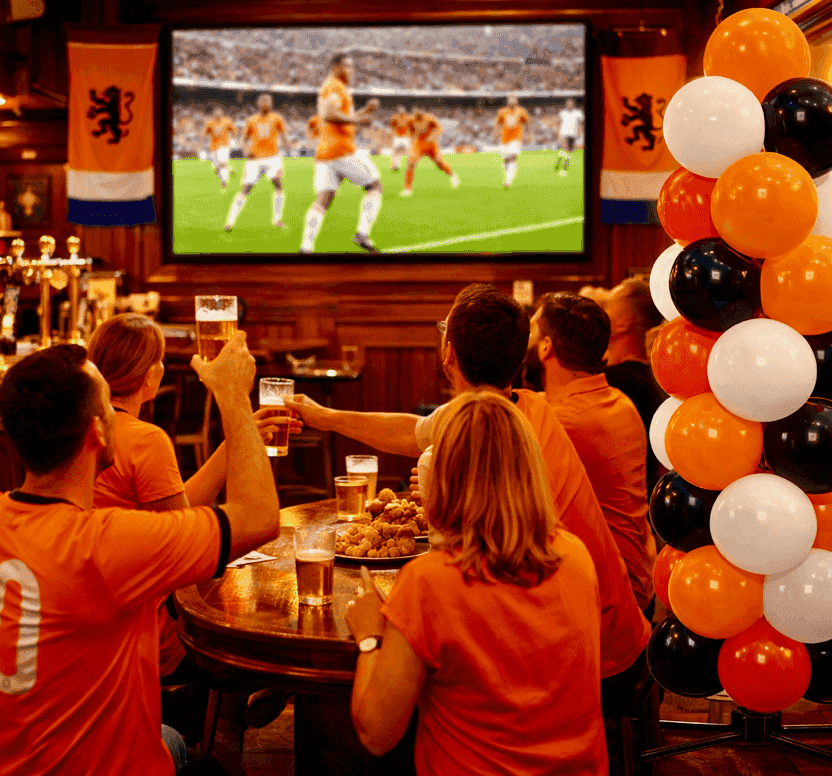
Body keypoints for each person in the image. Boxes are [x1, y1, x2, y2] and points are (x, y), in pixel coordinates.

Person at [285, 284, 650, 682]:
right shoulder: (526, 406)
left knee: (402, 629)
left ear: (448, 353)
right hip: (599, 624)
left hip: (580, 652)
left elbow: (463, 574)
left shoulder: (483, 439)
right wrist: (326, 416)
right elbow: (414, 432)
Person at [0, 340, 279, 776]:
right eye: (108, 407)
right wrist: (234, 394)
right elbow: (259, 519)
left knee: (172, 738)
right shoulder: (106, 546)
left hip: (1, 768)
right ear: (98, 432)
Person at [345, 391, 607, 773]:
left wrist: (370, 637)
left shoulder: (429, 582)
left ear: (445, 476)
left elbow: (376, 734)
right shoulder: (576, 556)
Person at [87, 314, 299, 680]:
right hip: (152, 634)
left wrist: (239, 440)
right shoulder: (146, 439)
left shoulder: (89, 428)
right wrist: (236, 409)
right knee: (266, 603)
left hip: (101, 612)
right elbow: (189, 541)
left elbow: (176, 515)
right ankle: (245, 709)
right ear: (152, 376)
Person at [527, 292, 657, 615]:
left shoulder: (563, 421)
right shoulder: (616, 402)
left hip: (607, 603)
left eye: (529, 330)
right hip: (637, 586)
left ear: (545, 347)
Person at [300, 52, 382, 255]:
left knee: (324, 198)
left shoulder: (337, 87)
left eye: (351, 66)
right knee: (374, 185)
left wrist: (365, 111)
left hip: (325, 154)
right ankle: (362, 234)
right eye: (346, 66)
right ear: (335, 67)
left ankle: (306, 248)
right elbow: (328, 114)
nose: (350, 70)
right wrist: (357, 121)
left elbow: (342, 116)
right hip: (342, 150)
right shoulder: (334, 86)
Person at [600, 277, 669, 493]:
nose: (599, 313)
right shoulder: (654, 377)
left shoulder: (615, 382)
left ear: (622, 323)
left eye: (607, 306)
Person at [226, 94, 289, 232]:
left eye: (269, 101)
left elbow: (284, 137)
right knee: (246, 188)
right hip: (254, 159)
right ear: (258, 103)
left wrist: (289, 150)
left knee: (278, 184)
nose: (266, 103)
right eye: (263, 101)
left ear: (272, 103)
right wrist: (246, 150)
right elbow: (243, 139)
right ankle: (230, 221)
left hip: (273, 158)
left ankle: (277, 219)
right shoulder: (251, 120)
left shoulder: (277, 118)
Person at [400, 109, 459, 197]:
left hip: (431, 143)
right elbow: (409, 132)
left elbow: (439, 129)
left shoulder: (430, 118)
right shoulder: (411, 121)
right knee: (411, 163)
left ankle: (452, 175)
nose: (417, 115)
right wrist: (412, 140)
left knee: (439, 163)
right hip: (419, 144)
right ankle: (407, 189)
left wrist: (432, 136)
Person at [494, 96, 529, 189]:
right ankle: (507, 175)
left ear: (517, 102)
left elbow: (527, 123)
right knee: (506, 160)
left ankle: (508, 181)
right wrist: (495, 133)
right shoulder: (502, 111)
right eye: (510, 101)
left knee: (513, 157)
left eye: (514, 101)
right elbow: (498, 123)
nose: (512, 103)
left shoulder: (522, 111)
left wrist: (529, 134)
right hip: (504, 139)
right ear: (508, 102)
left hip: (516, 139)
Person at [202, 107, 237, 190]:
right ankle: (229, 168)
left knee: (222, 162)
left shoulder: (227, 121)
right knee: (217, 167)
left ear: (222, 114)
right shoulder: (210, 122)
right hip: (213, 147)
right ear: (214, 114)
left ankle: (224, 183)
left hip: (224, 146)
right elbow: (205, 133)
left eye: (219, 113)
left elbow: (234, 131)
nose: (218, 115)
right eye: (216, 113)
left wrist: (232, 139)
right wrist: (203, 142)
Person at [555, 98, 584, 177]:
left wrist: (579, 131)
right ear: (566, 104)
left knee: (569, 150)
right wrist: (558, 133)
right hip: (564, 133)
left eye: (571, 103)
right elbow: (559, 123)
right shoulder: (563, 113)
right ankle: (564, 167)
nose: (569, 104)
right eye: (568, 103)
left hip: (573, 134)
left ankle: (560, 160)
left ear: (573, 104)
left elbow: (581, 123)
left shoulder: (578, 113)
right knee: (566, 148)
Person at [388, 105, 412, 172]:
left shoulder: (409, 118)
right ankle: (395, 166)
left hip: (406, 137)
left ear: (405, 111)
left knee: (409, 152)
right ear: (397, 111)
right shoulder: (394, 118)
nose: (400, 111)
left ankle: (410, 166)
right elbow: (391, 126)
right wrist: (393, 134)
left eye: (402, 110)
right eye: (399, 110)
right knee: (394, 152)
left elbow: (412, 127)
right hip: (397, 137)